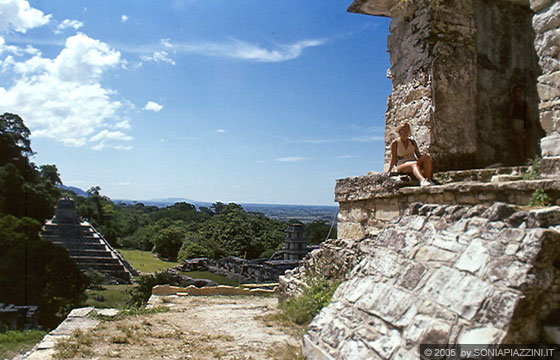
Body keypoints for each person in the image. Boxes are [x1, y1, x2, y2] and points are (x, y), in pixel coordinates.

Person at [387, 121, 434, 186]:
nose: (405, 133)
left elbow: (418, 155)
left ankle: (429, 179)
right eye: (403, 131)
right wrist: (389, 170)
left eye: (407, 131)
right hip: (402, 164)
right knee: (414, 164)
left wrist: (424, 159)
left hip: (414, 161)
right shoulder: (395, 143)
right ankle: (422, 180)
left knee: (427, 156)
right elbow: (394, 158)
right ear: (399, 131)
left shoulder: (412, 142)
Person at [508, 84, 531, 164]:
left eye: (520, 90)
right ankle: (522, 160)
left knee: (527, 142)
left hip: (524, 123)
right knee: (519, 143)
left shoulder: (524, 103)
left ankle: (527, 159)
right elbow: (510, 116)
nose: (519, 92)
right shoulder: (513, 103)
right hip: (516, 123)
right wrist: (511, 127)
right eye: (517, 90)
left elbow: (527, 114)